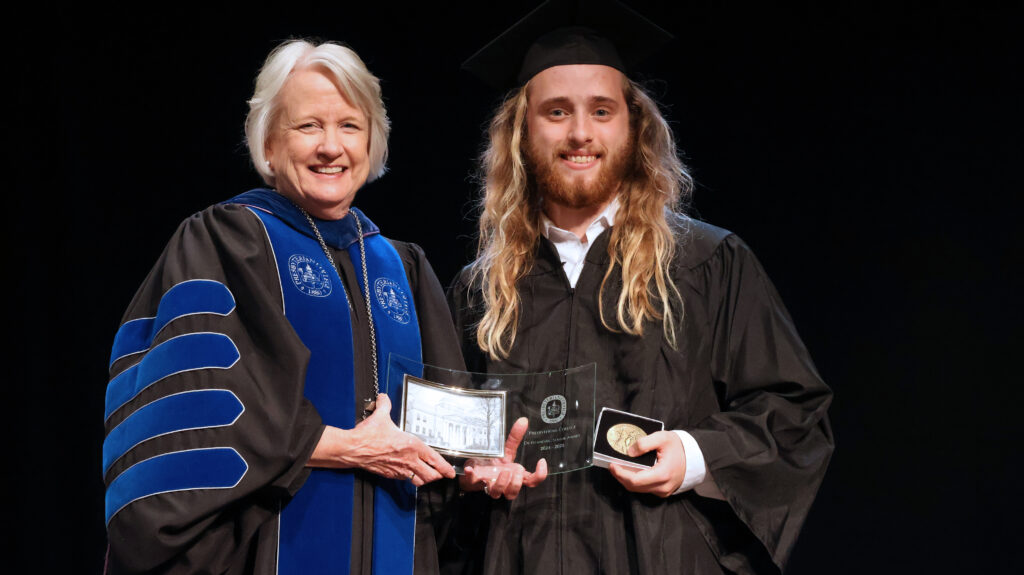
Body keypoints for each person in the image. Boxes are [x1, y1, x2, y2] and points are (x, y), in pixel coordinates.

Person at [446, 1, 835, 573]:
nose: (580, 132)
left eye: (602, 111)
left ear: (634, 126)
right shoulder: (482, 291)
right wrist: (471, 474)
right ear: (521, 132)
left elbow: (795, 412)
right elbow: (447, 451)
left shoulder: (705, 263)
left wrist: (695, 454)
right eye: (556, 112)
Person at [102, 39, 462, 575]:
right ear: (268, 144)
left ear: (373, 142)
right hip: (258, 548)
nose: (331, 147)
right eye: (308, 126)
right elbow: (202, 407)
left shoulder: (402, 267)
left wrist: (477, 464)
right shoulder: (229, 241)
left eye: (349, 125)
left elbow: (443, 423)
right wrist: (348, 447)